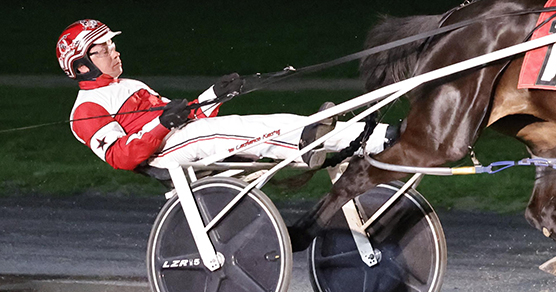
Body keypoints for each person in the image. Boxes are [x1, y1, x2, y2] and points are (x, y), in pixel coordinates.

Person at [57, 19, 393, 175]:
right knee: (223, 132)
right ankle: (305, 147)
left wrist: (213, 95)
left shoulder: (130, 85)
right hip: (161, 155)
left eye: (113, 47)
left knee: (271, 121)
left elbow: (188, 117)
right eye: (103, 51)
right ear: (82, 65)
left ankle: (377, 137)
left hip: (179, 139)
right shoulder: (86, 110)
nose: (114, 54)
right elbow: (121, 156)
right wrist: (162, 123)